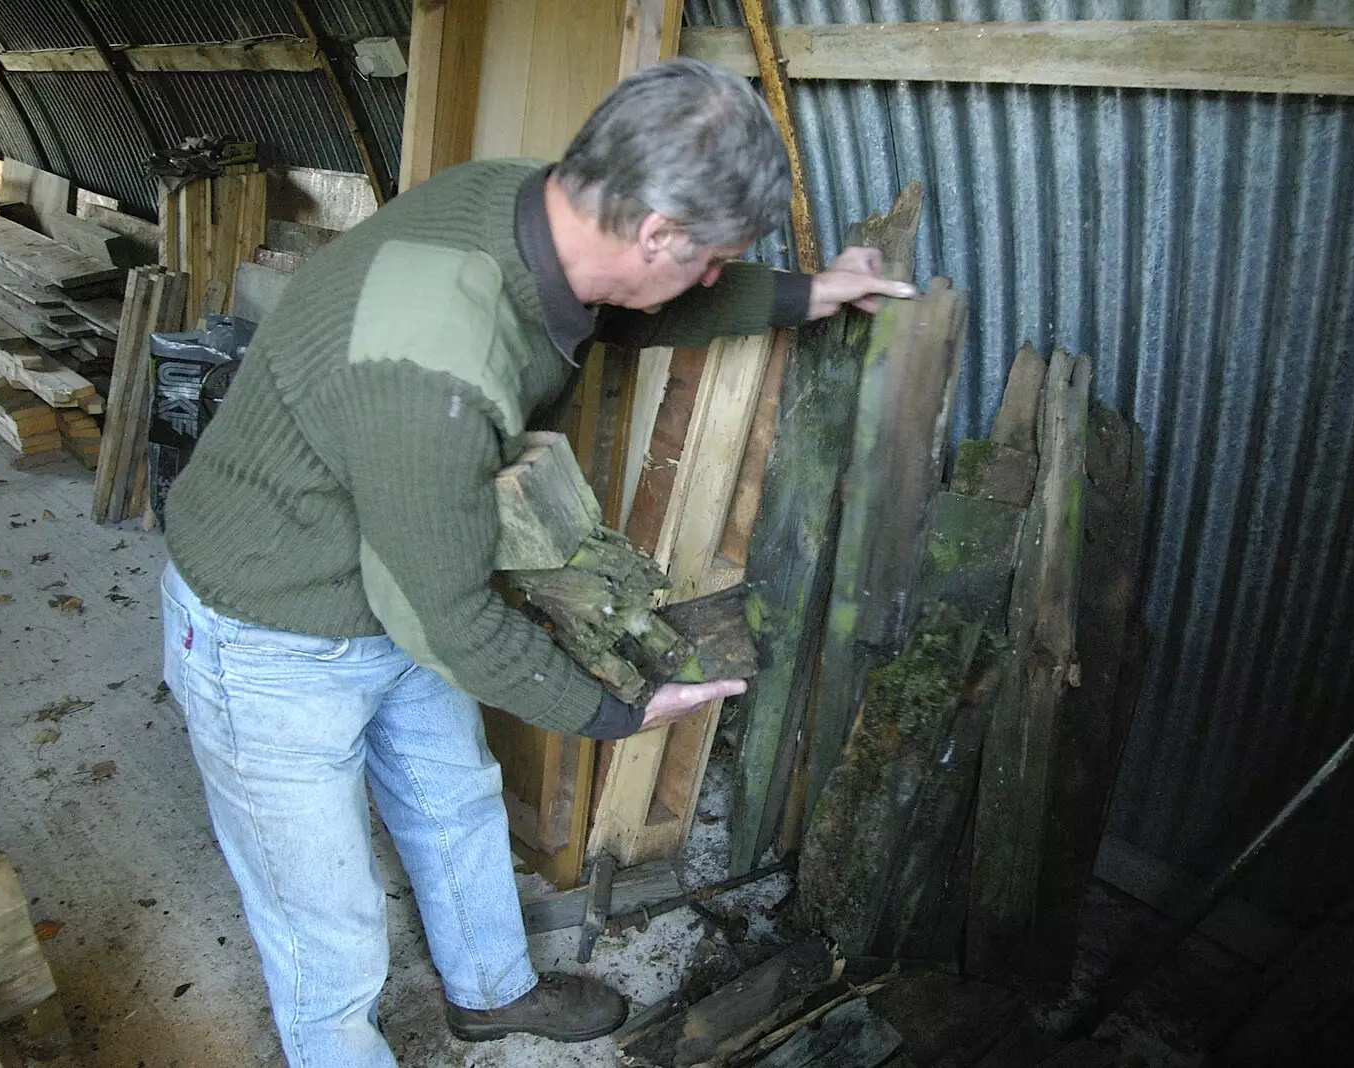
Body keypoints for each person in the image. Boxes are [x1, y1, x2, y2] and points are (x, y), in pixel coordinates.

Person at [157, 58, 913, 1068]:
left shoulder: (540, 203)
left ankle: (489, 995)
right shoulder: (435, 361)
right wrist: (614, 710)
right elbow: (447, 613)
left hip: (389, 579)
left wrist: (808, 293)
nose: (701, 282)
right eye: (705, 261)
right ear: (654, 231)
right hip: (271, 628)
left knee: (456, 801)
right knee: (323, 917)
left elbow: (646, 302)